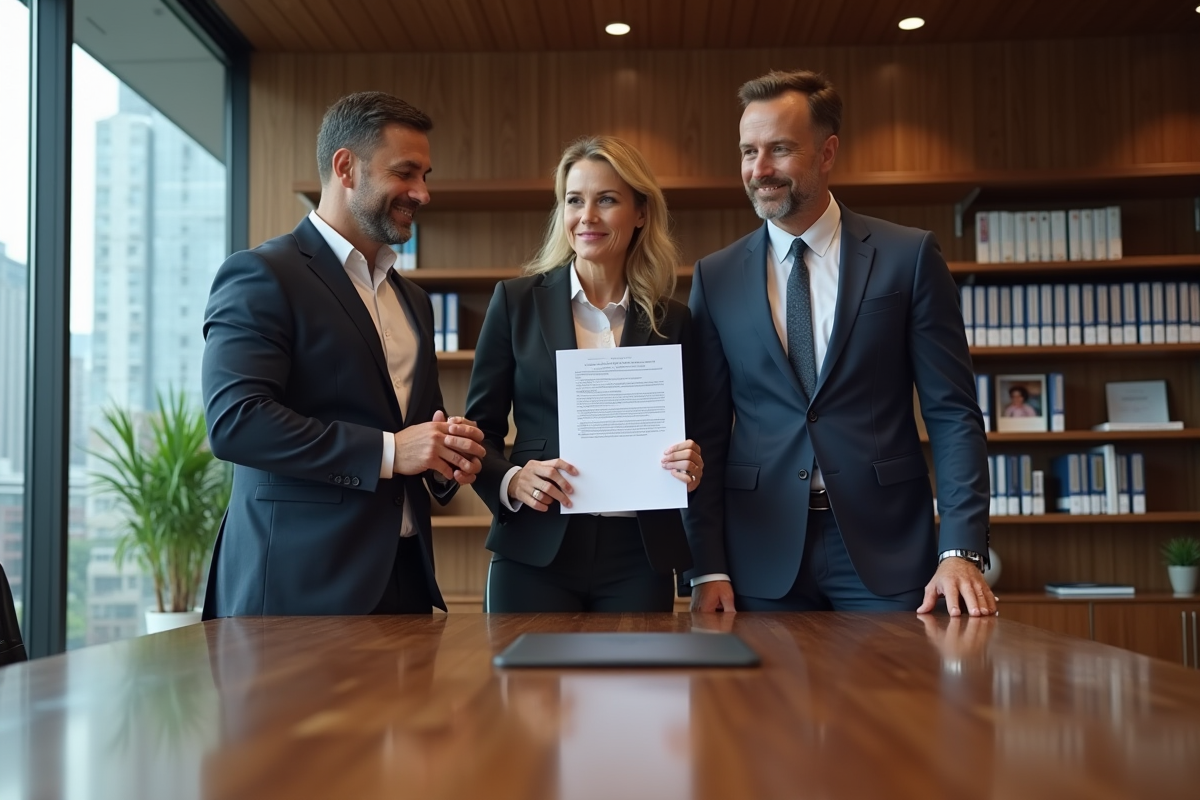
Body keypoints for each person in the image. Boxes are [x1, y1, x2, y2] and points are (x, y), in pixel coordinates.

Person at [685, 70, 994, 616]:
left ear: (827, 153)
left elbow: (952, 413)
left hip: (888, 547)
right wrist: (707, 564)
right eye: (748, 151)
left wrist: (961, 550)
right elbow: (705, 431)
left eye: (779, 149)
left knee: (891, 702)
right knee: (761, 703)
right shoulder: (715, 276)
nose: (759, 170)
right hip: (759, 549)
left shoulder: (910, 256)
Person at [201, 92, 486, 617]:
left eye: (426, 175)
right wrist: (390, 452)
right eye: (405, 173)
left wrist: (446, 454)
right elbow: (236, 422)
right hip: (296, 588)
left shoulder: (413, 300)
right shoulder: (262, 274)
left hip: (404, 584)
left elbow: (414, 428)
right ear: (345, 167)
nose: (422, 193)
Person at [465, 135, 703, 612]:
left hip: (638, 555)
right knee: (528, 688)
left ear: (640, 213)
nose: (587, 217)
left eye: (607, 200)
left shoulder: (673, 320)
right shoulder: (515, 303)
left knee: (636, 689)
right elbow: (479, 433)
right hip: (536, 548)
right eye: (575, 200)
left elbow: (698, 435)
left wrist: (693, 463)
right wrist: (511, 479)